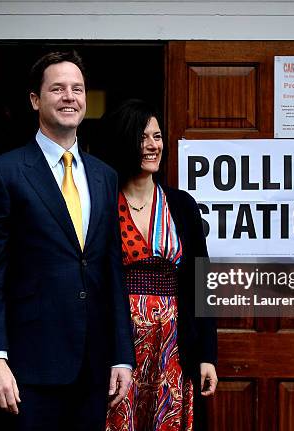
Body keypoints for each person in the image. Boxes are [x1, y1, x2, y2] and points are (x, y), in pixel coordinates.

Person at [0, 51, 135, 431]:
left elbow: (111, 268)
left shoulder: (104, 176)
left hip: (94, 370)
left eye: (77, 89)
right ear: (35, 100)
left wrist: (121, 356)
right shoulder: (4, 172)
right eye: (57, 88)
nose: (69, 97)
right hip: (28, 369)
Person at [95, 99, 218, 431]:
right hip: (119, 340)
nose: (153, 146)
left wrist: (207, 354)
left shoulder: (181, 204)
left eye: (157, 136)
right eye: (143, 137)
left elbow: (202, 281)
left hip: (174, 342)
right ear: (125, 141)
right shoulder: (103, 203)